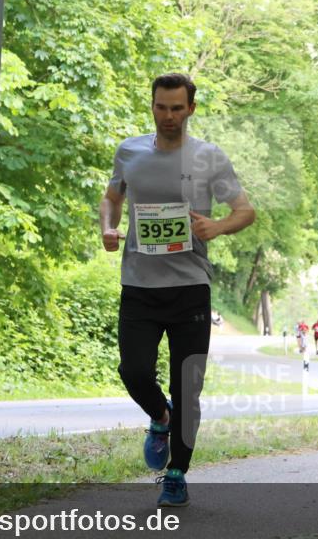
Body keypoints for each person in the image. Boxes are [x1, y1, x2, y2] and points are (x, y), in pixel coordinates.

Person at [99, 73, 255, 507]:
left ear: (191, 109)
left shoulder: (208, 157)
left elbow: (245, 211)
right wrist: (109, 228)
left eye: (177, 108)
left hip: (190, 287)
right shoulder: (129, 152)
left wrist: (217, 226)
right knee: (133, 372)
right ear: (151, 105)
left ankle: (176, 473)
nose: (168, 116)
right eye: (160, 107)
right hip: (139, 285)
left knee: (188, 386)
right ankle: (160, 417)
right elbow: (111, 198)